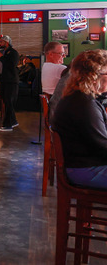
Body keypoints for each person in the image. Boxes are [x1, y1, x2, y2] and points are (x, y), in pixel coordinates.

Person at [51, 49, 107, 190]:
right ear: (95, 77)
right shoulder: (84, 104)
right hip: (84, 170)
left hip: (81, 165)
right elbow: (102, 145)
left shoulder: (78, 96)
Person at [0, 35, 20, 131]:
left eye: (1, 42)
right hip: (3, 80)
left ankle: (7, 125)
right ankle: (13, 121)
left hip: (11, 81)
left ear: (6, 43)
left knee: (9, 102)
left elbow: (11, 65)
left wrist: (1, 57)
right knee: (6, 101)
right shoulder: (2, 53)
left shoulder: (13, 53)